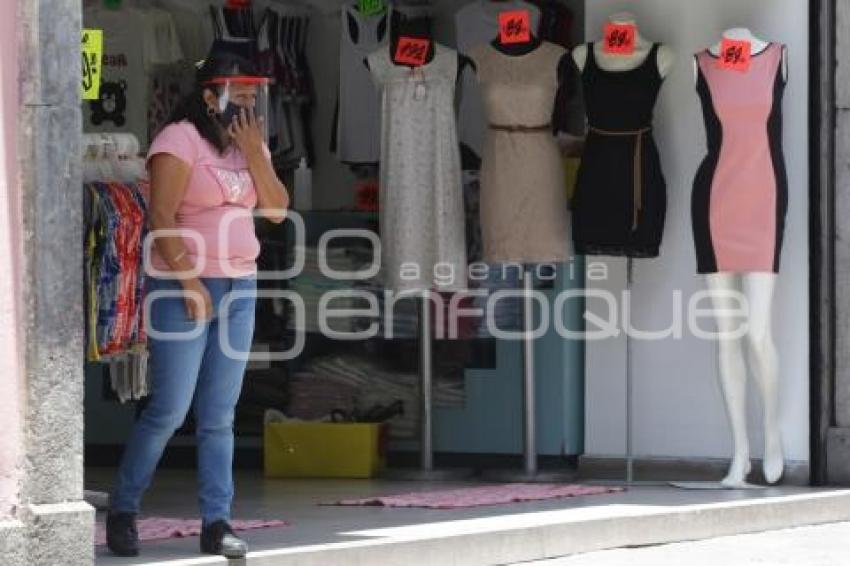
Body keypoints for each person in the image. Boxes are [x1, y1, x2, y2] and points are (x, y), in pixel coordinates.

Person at [105, 51, 289, 559]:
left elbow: (275, 210)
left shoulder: (252, 147)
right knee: (169, 408)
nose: (249, 105)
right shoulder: (178, 139)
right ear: (210, 96)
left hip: (240, 286)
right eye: (239, 94)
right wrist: (189, 282)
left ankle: (217, 521)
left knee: (219, 413)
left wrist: (254, 154)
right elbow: (160, 215)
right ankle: (124, 509)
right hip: (182, 285)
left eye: (255, 96)